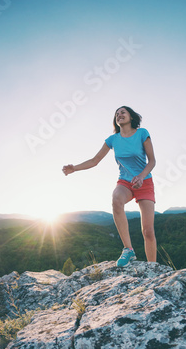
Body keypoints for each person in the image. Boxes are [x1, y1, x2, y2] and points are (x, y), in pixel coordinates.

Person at [62, 106, 156, 268]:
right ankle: (128, 249)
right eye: (116, 114)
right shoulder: (113, 139)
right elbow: (94, 160)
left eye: (123, 113)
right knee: (116, 199)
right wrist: (74, 168)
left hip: (144, 181)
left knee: (148, 231)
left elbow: (152, 161)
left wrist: (141, 176)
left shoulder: (142, 133)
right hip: (125, 182)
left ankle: (153, 267)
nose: (119, 115)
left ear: (131, 117)